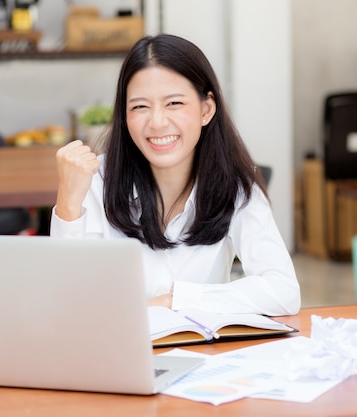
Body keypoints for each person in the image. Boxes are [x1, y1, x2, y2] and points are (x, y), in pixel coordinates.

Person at [51, 34, 300, 316]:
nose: (157, 122)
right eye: (140, 107)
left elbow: (283, 291)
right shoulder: (97, 180)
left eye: (174, 104)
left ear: (206, 110)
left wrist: (174, 301)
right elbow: (66, 304)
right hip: (116, 354)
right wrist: (68, 206)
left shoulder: (235, 186)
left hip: (203, 355)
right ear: (124, 115)